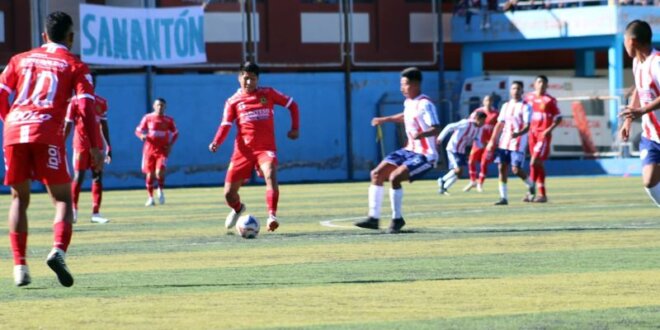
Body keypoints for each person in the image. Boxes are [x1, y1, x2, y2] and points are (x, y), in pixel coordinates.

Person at [0, 11, 103, 287]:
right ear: (70, 38)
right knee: (62, 200)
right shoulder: (75, 65)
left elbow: (0, 93)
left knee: (18, 199)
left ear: (43, 36)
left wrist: (8, 119)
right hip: (46, 131)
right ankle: (57, 250)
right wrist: (96, 146)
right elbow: (84, 107)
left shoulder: (19, 59)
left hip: (14, 131)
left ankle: (19, 266)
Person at [209, 61, 300, 233]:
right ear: (239, 78)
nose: (249, 82)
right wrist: (216, 142)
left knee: (271, 174)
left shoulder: (268, 93)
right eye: (246, 78)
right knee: (229, 194)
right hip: (242, 152)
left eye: (252, 79)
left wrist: (295, 128)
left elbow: (292, 105)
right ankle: (238, 209)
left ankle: (272, 216)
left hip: (265, 149)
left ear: (258, 80)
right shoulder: (233, 101)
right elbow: (226, 124)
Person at [354, 67, 440, 234]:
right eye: (401, 84)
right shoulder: (409, 102)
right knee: (377, 174)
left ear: (415, 84)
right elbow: (405, 116)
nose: (402, 88)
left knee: (395, 177)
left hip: (425, 155)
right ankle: (373, 218)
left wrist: (421, 134)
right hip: (408, 150)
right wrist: (384, 119)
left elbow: (436, 127)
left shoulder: (425, 104)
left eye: (405, 84)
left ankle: (397, 218)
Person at [619, 20, 660, 208]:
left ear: (633, 42)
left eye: (625, 41)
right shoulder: (637, 63)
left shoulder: (657, 63)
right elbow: (638, 90)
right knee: (649, 180)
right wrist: (628, 121)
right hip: (651, 135)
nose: (624, 44)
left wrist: (642, 110)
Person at [65, 94, 112, 223]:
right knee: (78, 177)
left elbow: (104, 125)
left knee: (97, 176)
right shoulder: (74, 101)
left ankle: (96, 213)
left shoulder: (102, 102)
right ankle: (73, 211)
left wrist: (109, 147)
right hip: (80, 145)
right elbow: (68, 124)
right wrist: (61, 143)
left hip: (98, 146)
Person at [487, 81, 536, 205]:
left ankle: (531, 185)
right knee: (502, 168)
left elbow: (527, 126)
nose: (516, 91)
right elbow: (500, 123)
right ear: (510, 90)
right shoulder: (505, 106)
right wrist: (493, 140)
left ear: (522, 91)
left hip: (518, 143)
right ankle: (503, 198)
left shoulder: (526, 107)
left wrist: (518, 134)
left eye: (518, 89)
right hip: (504, 142)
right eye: (514, 88)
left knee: (515, 169)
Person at [524, 75, 562, 202]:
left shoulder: (549, 100)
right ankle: (542, 195)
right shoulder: (528, 98)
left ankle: (530, 191)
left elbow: (559, 118)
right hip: (531, 134)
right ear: (534, 84)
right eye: (539, 82)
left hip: (543, 135)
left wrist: (548, 130)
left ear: (547, 85)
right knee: (538, 163)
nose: (541, 85)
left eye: (544, 83)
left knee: (533, 161)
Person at [135, 98, 179, 206]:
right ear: (154, 106)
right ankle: (150, 198)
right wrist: (141, 136)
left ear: (165, 107)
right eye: (158, 105)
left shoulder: (169, 120)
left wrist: (170, 145)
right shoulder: (148, 118)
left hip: (162, 150)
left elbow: (176, 133)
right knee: (149, 175)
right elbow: (138, 130)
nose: (160, 107)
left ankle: (160, 189)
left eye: (162, 105)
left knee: (159, 172)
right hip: (149, 150)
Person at [437, 111, 487, 195]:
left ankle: (444, 187)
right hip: (453, 149)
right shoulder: (466, 123)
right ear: (477, 119)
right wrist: (440, 138)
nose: (484, 123)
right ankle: (442, 180)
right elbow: (449, 126)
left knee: (459, 173)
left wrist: (485, 146)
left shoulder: (480, 128)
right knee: (458, 170)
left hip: (461, 151)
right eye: (483, 120)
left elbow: (477, 140)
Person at [464, 95, 499, 193]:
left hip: (489, 144)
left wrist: (494, 141)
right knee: (471, 161)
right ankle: (472, 181)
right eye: (486, 100)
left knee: (484, 163)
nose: (488, 102)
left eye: (490, 100)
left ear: (492, 102)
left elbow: (499, 128)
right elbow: (469, 122)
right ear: (483, 101)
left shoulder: (496, 114)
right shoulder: (477, 112)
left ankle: (480, 184)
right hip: (478, 142)